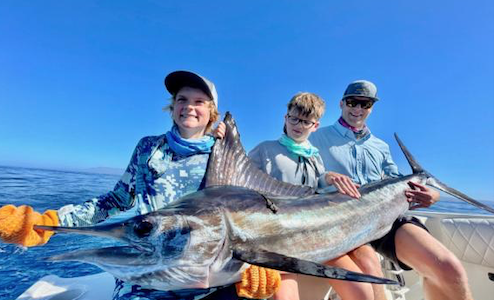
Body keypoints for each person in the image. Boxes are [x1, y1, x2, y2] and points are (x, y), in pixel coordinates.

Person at [0, 70, 278, 300]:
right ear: (172, 107)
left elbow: (250, 219)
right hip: (149, 274)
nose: (189, 107)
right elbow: (115, 201)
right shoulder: (149, 147)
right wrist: (50, 220)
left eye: (199, 101)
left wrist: (259, 261)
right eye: (182, 99)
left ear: (211, 112)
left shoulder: (222, 153)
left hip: (213, 274)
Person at [309, 80, 473, 300]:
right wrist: (326, 178)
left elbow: (396, 181)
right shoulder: (317, 137)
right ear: (341, 103)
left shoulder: (380, 146)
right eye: (352, 102)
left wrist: (432, 194)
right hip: (342, 222)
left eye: (365, 104)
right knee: (371, 275)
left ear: (371, 108)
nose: (357, 109)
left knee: (449, 268)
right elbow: (304, 178)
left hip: (386, 217)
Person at [248, 92, 373, 300]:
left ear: (315, 126)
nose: (298, 125)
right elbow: (241, 186)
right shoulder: (264, 150)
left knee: (362, 291)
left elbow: (316, 184)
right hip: (278, 240)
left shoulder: (315, 156)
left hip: (315, 235)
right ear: (285, 118)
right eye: (294, 118)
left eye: (306, 121)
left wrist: (329, 178)